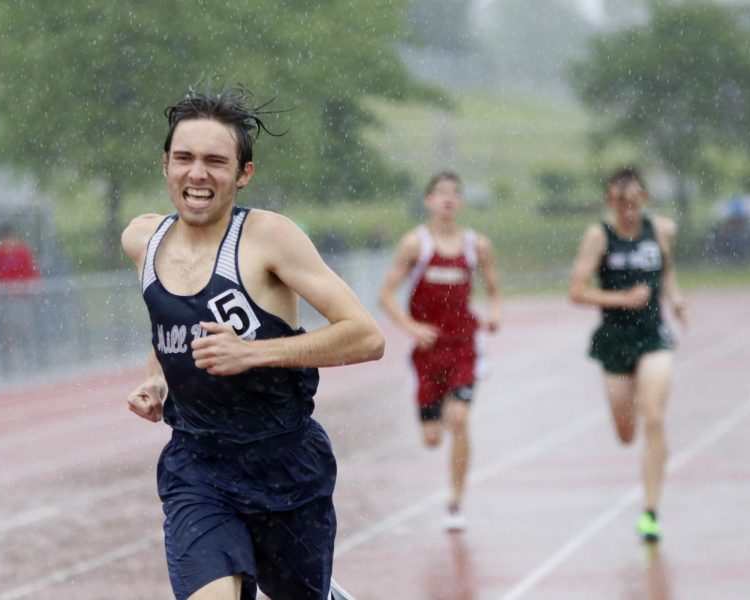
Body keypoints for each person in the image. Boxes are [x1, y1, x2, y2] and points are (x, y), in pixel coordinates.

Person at [120, 85, 384, 600]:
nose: (198, 173)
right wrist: (156, 380)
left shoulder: (269, 238)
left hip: (285, 464)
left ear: (243, 174)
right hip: (199, 466)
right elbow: (169, 322)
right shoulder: (142, 241)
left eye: (215, 161)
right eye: (185, 158)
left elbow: (366, 336)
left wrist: (254, 353)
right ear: (166, 167)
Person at [568, 166, 688, 543]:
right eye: (621, 203)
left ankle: (650, 511)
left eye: (635, 201)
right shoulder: (598, 237)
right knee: (626, 433)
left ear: (646, 199)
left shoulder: (661, 230)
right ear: (610, 202)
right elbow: (576, 291)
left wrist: (676, 298)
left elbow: (666, 271)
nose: (628, 209)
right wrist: (621, 298)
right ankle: (637, 417)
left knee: (653, 418)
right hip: (615, 339)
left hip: (653, 337)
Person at [378, 171, 502, 531]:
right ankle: (437, 422)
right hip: (428, 354)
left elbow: (494, 289)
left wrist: (495, 313)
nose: (447, 199)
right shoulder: (415, 245)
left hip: (464, 348)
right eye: (440, 193)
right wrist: (412, 327)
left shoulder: (476, 246)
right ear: (429, 201)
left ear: (460, 202)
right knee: (432, 439)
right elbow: (386, 295)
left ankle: (455, 503)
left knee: (459, 420)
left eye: (454, 193)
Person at [0, 223, 41, 371]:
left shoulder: (22, 251)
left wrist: (31, 288)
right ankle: (10, 362)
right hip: (5, 298)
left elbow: (32, 271)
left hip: (22, 297)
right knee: (7, 330)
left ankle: (30, 357)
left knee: (25, 327)